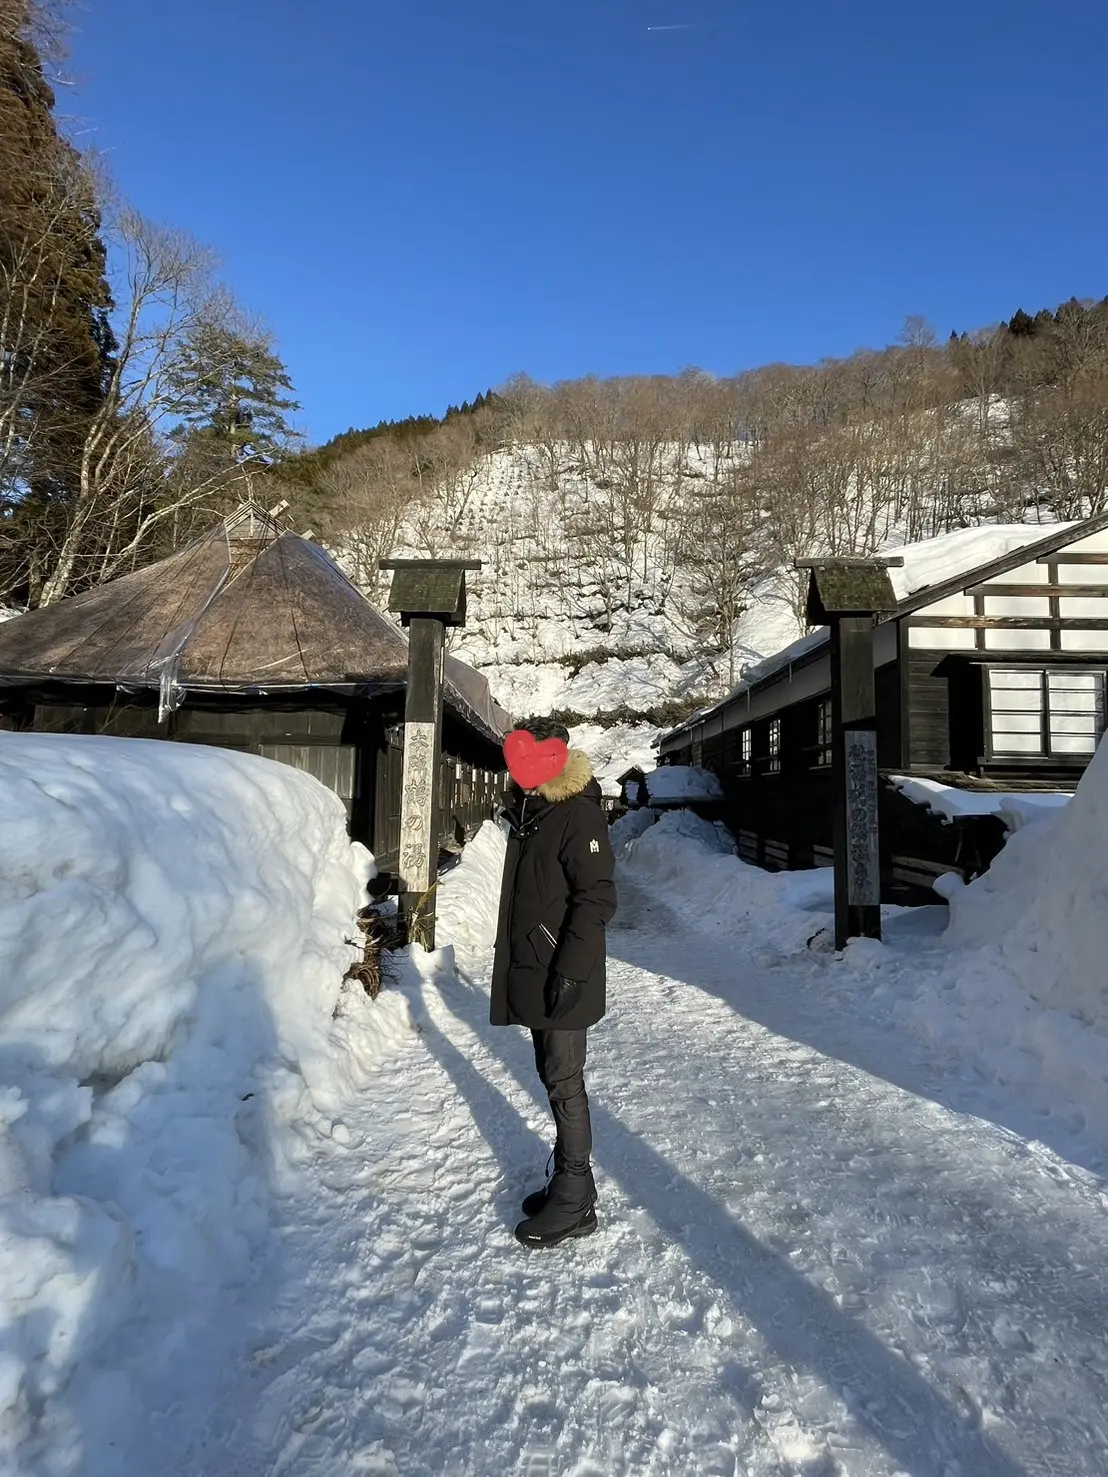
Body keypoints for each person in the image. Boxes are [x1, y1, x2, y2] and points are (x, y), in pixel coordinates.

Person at [491, 718, 617, 1249]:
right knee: (552, 1074)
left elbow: (597, 899)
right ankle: (571, 1182)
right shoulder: (535, 810)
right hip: (544, 969)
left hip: (564, 972)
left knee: (564, 1079)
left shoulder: (575, 814)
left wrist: (569, 971)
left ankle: (574, 1197)